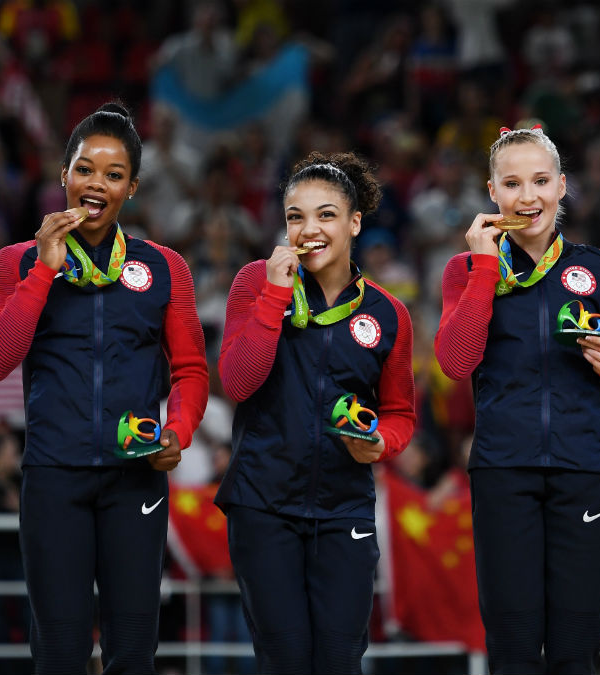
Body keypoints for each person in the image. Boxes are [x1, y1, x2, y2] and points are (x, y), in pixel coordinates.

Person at [0, 101, 209, 674]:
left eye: (113, 174)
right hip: (54, 477)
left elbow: (192, 372)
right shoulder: (16, 262)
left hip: (136, 479)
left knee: (132, 654)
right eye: (85, 168)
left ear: (131, 187)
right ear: (64, 175)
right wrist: (43, 271)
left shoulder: (164, 267)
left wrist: (176, 432)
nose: (96, 183)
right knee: (59, 653)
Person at [434, 125, 600, 674]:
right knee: (511, 646)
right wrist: (487, 267)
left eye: (540, 181)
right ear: (492, 190)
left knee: (576, 648)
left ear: (562, 186)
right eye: (512, 183)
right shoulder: (465, 270)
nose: (527, 196)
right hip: (502, 472)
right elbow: (454, 363)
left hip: (580, 469)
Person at [216, 151, 416, 673]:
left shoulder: (388, 313)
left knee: (339, 660)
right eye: (296, 217)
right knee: (284, 660)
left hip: (344, 507)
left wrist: (381, 443)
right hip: (263, 503)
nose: (309, 229)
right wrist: (274, 297)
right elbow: (238, 382)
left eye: (326, 214)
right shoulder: (256, 283)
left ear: (354, 222)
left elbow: (399, 414)